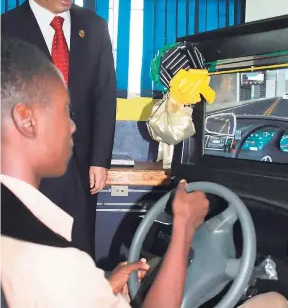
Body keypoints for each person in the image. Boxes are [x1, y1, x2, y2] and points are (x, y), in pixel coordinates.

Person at [1, 38, 287, 308]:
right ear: (27, 121)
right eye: (65, 111)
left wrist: (102, 287)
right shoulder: (47, 255)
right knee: (273, 301)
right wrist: (184, 229)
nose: (73, 126)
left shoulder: (17, 227)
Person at [1, 0, 116, 257]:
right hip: (23, 175)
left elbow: (104, 97)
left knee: (76, 259)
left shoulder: (94, 28)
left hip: (80, 170)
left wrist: (99, 159)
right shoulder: (4, 31)